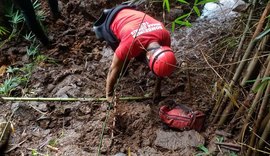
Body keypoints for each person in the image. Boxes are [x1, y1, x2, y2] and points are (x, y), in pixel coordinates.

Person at [93, 4, 177, 102]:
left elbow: (161, 62)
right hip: (111, 21)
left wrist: (157, 89)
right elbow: (113, 69)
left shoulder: (165, 35)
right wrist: (109, 95)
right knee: (122, 63)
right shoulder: (129, 45)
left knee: (135, 54)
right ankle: (124, 70)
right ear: (148, 55)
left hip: (130, 13)